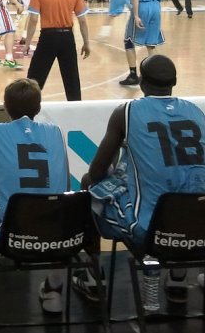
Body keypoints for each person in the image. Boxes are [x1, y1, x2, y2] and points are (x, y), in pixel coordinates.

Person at [77, 55, 205, 304]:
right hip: (200, 225)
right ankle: (178, 278)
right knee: (184, 195)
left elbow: (97, 172)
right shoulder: (196, 112)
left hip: (152, 229)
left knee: (87, 183)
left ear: (142, 83)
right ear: (174, 82)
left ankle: (93, 277)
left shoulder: (126, 112)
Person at [0, 78, 70, 315]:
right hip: (55, 233)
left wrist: (1, 191)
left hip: (13, 234)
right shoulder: (57, 132)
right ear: (38, 107)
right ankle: (54, 289)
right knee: (62, 209)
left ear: (5, 107)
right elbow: (63, 189)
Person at [23, 0, 91, 101]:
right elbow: (82, 20)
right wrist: (86, 43)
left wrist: (27, 42)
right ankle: (76, 108)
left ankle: (26, 107)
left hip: (47, 37)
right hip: (67, 37)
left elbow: (33, 20)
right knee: (71, 79)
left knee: (35, 78)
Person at [120, 0, 165, 86]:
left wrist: (136, 14)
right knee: (151, 44)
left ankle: (133, 75)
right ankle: (156, 76)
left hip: (143, 6)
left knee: (128, 40)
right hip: (156, 5)